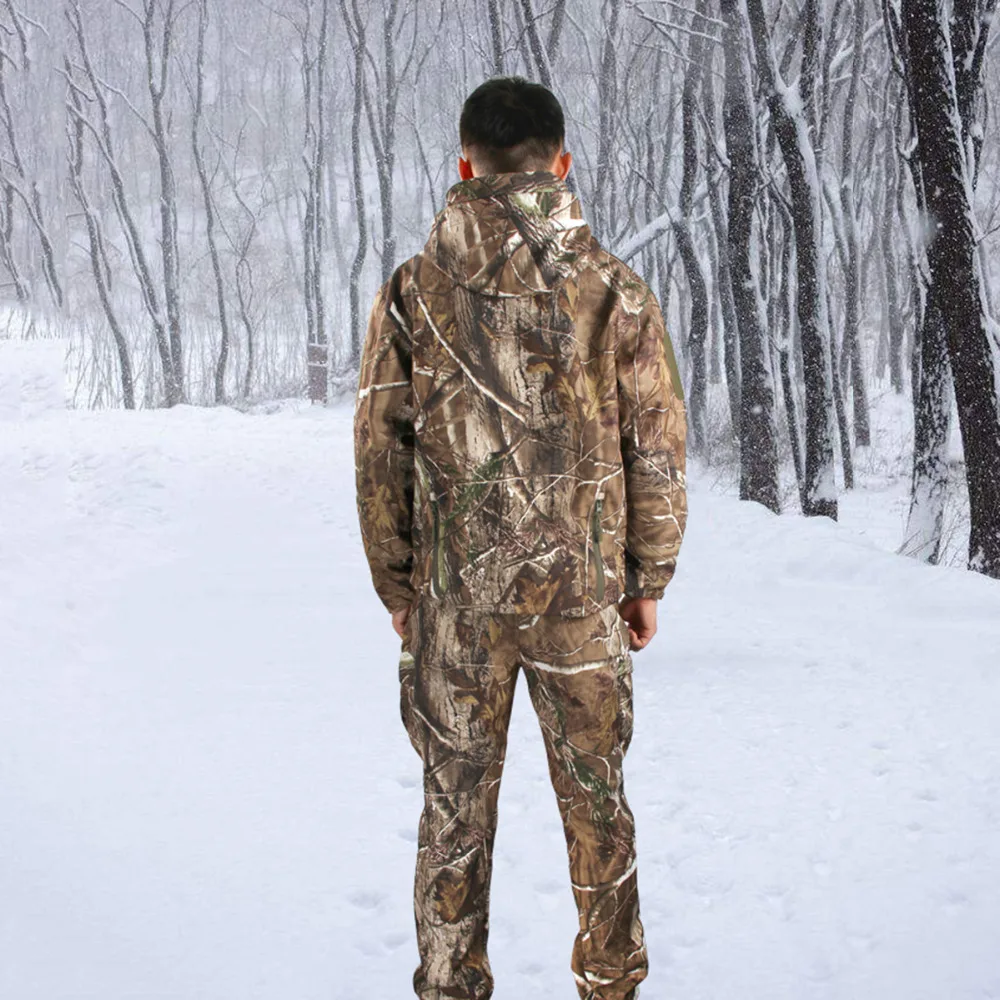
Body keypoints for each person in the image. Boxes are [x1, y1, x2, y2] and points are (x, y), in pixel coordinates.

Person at [353, 75, 687, 1000]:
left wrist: (401, 587)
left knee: (452, 812)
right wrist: (646, 577)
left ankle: (450, 983)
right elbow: (654, 443)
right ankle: (613, 983)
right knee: (598, 806)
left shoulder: (415, 292)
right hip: (580, 598)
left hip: (458, 603)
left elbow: (380, 446)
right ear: (561, 163)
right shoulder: (611, 286)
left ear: (464, 164)